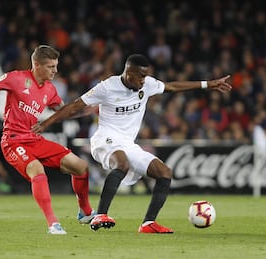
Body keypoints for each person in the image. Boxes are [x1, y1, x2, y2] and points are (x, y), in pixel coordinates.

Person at [32, 54, 232, 234]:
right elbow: (74, 106)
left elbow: (172, 86)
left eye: (146, 77)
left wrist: (209, 84)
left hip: (128, 143)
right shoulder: (107, 87)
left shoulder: (147, 84)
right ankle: (101, 215)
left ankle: (148, 223)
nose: (144, 81)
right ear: (128, 73)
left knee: (164, 173)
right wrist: (46, 124)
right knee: (122, 163)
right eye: (140, 76)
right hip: (105, 138)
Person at [0, 45, 95, 235]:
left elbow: (65, 110)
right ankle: (53, 223)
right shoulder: (17, 78)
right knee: (37, 170)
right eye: (51, 66)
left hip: (34, 139)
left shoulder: (50, 89)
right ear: (37, 64)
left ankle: (85, 211)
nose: (55, 70)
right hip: (13, 140)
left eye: (56, 66)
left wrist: (92, 109)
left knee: (80, 166)